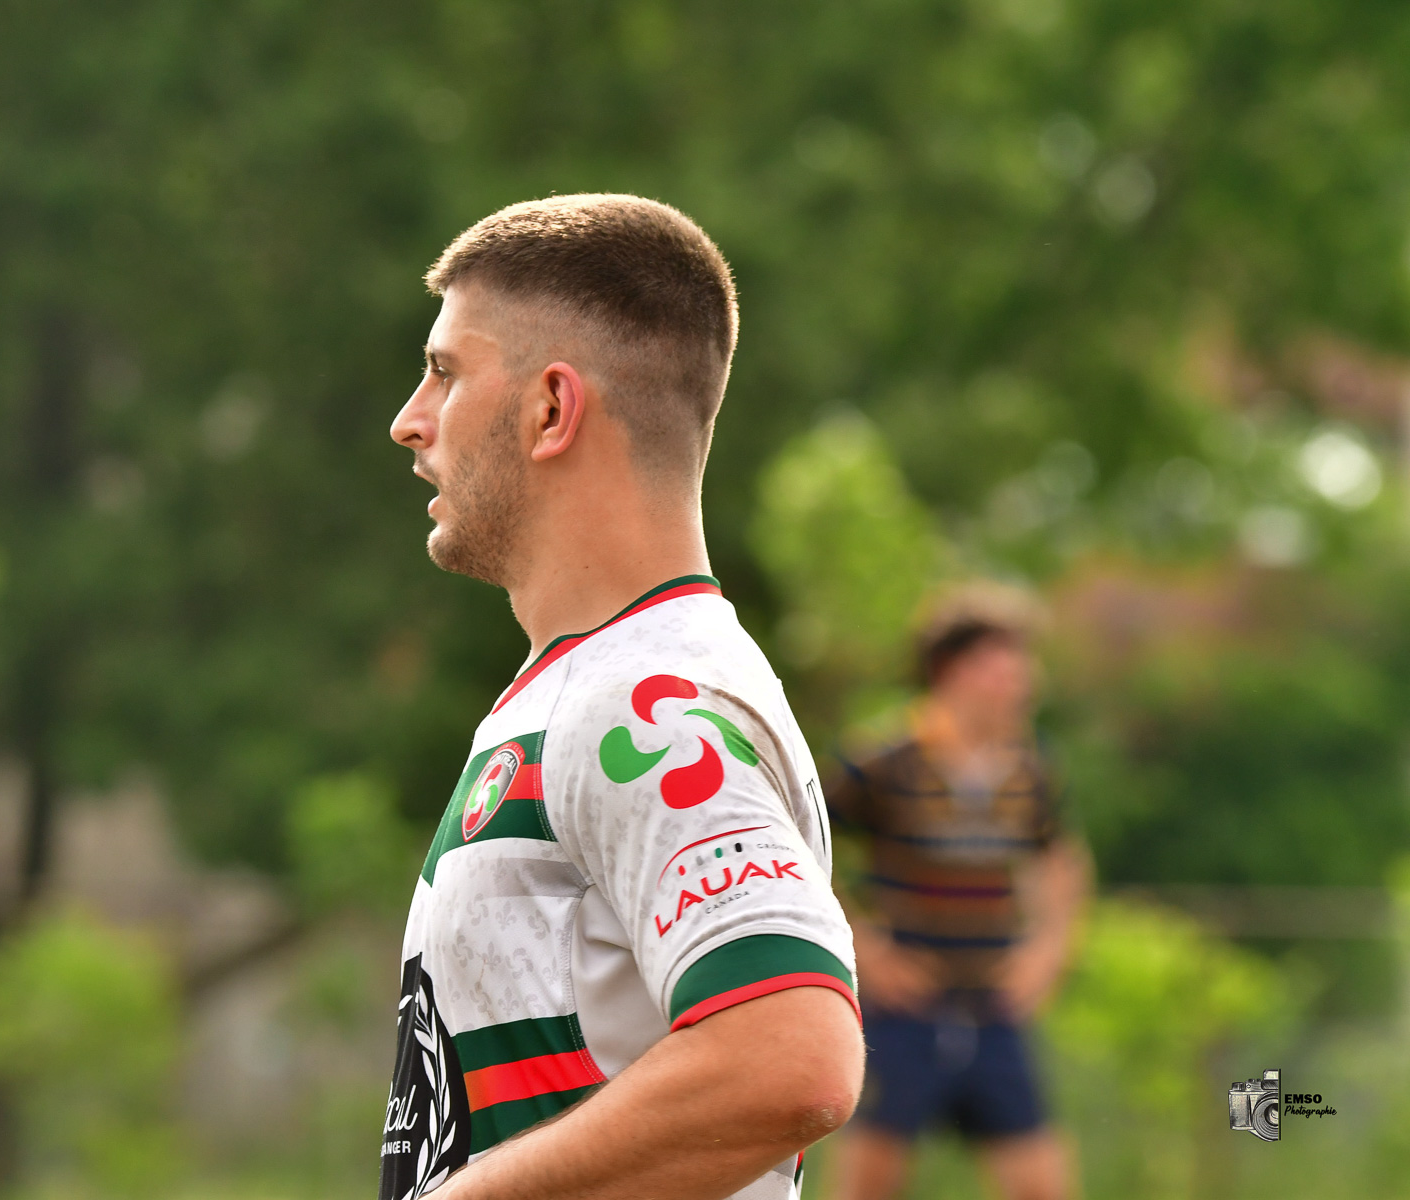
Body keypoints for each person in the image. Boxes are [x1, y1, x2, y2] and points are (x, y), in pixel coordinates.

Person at [380, 195, 863, 1200]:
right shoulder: (581, 688)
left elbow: (792, 1055)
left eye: (444, 373)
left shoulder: (646, 701)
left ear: (551, 408)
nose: (408, 421)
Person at [824, 590, 1092, 1200]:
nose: (1023, 684)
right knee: (868, 1185)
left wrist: (1050, 951)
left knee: (1042, 1185)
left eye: (1023, 667)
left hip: (995, 1009)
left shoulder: (1033, 767)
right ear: (953, 672)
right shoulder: (884, 759)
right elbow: (806, 849)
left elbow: (1062, 859)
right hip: (901, 1014)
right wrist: (864, 947)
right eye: (1004, 668)